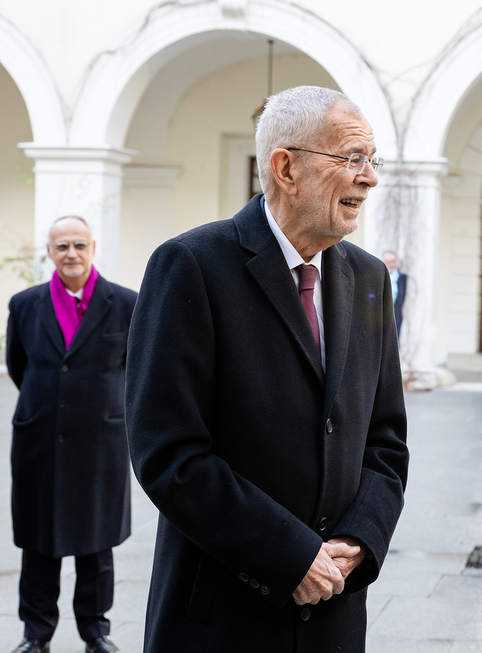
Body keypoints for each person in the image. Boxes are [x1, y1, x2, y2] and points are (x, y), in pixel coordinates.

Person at [125, 86, 409, 653]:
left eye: (372, 160)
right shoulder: (191, 265)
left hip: (333, 613)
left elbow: (385, 439)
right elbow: (169, 454)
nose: (370, 177)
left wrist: (361, 538)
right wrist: (288, 556)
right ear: (286, 168)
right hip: (222, 616)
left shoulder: (369, 278)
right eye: (352, 158)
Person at [5, 216, 137, 653]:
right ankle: (36, 634)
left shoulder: (126, 303)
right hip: (39, 442)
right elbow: (21, 366)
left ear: (93, 247)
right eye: (62, 246)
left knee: (96, 545)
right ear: (49, 252)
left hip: (100, 443)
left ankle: (96, 632)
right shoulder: (25, 304)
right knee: (38, 543)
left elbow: (135, 370)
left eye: (79, 244)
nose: (71, 253)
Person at [383, 250, 407, 337]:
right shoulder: (379, 277)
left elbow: (403, 296)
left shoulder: (402, 278)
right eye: (389, 261)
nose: (392, 264)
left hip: (396, 314)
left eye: (394, 261)